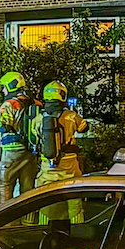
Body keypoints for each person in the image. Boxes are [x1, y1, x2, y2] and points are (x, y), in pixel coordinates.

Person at [33, 80, 89, 222]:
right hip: (69, 165)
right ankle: (78, 229)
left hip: (47, 167)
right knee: (74, 200)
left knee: (44, 200)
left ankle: (41, 229)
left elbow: (35, 138)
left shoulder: (38, 118)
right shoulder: (71, 116)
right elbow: (84, 128)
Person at [0, 71, 37, 205]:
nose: (3, 90)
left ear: (11, 86)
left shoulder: (9, 104)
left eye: (4, 87)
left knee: (4, 185)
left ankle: (6, 222)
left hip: (11, 151)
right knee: (28, 188)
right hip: (29, 151)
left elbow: (3, 126)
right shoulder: (34, 103)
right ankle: (28, 221)